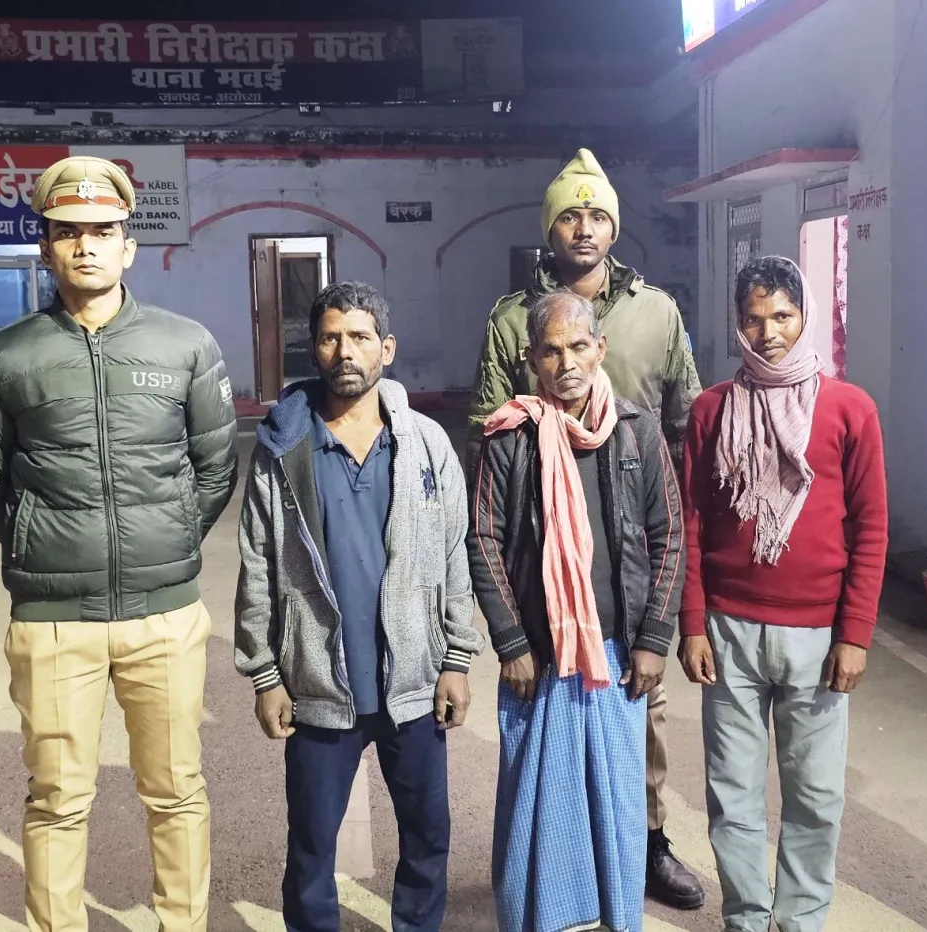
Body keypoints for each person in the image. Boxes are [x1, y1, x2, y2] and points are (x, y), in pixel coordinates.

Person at [0, 156, 239, 932]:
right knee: (57, 799)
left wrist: (166, 544)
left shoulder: (185, 346)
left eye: (103, 231)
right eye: (68, 232)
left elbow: (216, 467)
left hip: (165, 618)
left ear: (129, 245)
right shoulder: (4, 357)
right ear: (46, 247)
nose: (86, 245)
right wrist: (43, 549)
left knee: (176, 790)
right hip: (53, 623)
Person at [467, 148, 704, 909]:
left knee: (637, 739)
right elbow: (489, 456)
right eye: (569, 215)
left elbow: (683, 426)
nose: (584, 227)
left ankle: (645, 850)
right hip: (544, 572)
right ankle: (548, 892)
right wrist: (511, 632)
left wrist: (659, 625)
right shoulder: (511, 316)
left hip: (625, 556)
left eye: (597, 214)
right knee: (542, 761)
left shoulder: (656, 312)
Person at [235, 281, 483, 932]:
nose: (345, 351)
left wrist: (457, 659)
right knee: (311, 847)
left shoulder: (426, 443)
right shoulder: (283, 450)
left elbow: (454, 554)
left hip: (414, 683)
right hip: (320, 686)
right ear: (314, 350)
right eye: (330, 338)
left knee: (427, 836)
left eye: (360, 337)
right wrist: (265, 675)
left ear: (387, 348)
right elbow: (257, 563)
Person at [678, 256, 888, 932]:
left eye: (782, 316)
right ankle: (746, 917)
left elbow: (871, 527)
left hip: (819, 636)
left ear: (806, 316)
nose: (767, 332)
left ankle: (800, 920)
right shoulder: (711, 410)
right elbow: (692, 520)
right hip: (728, 631)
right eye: (753, 319)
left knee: (816, 797)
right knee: (732, 795)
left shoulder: (850, 409)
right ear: (736, 324)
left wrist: (855, 635)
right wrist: (692, 623)